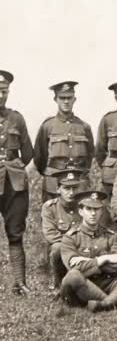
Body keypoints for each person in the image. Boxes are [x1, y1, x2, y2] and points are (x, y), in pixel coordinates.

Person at [60, 191, 117, 312]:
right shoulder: (70, 237)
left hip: (109, 283)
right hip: (84, 285)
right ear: (81, 212)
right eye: (89, 209)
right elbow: (74, 268)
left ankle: (105, 304)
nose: (93, 213)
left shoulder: (111, 235)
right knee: (73, 276)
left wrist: (88, 262)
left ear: (101, 211)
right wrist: (103, 259)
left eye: (96, 209)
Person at [0, 70, 34, 295]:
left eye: (3, 91)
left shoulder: (17, 118)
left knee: (15, 232)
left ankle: (20, 283)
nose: (0, 95)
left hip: (14, 184)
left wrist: (14, 166)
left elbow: (28, 152)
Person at [34, 81, 94, 202]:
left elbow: (90, 155)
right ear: (55, 99)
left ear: (74, 99)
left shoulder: (84, 127)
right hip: (54, 183)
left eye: (69, 98)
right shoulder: (48, 126)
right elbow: (39, 157)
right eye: (62, 98)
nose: (66, 101)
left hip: (78, 183)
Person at [42, 169, 88, 290]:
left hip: (85, 246)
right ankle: (58, 283)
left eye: (74, 188)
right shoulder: (50, 207)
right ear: (58, 189)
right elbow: (50, 234)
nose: (71, 193)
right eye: (66, 188)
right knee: (57, 248)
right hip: (63, 247)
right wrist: (73, 244)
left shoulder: (86, 206)